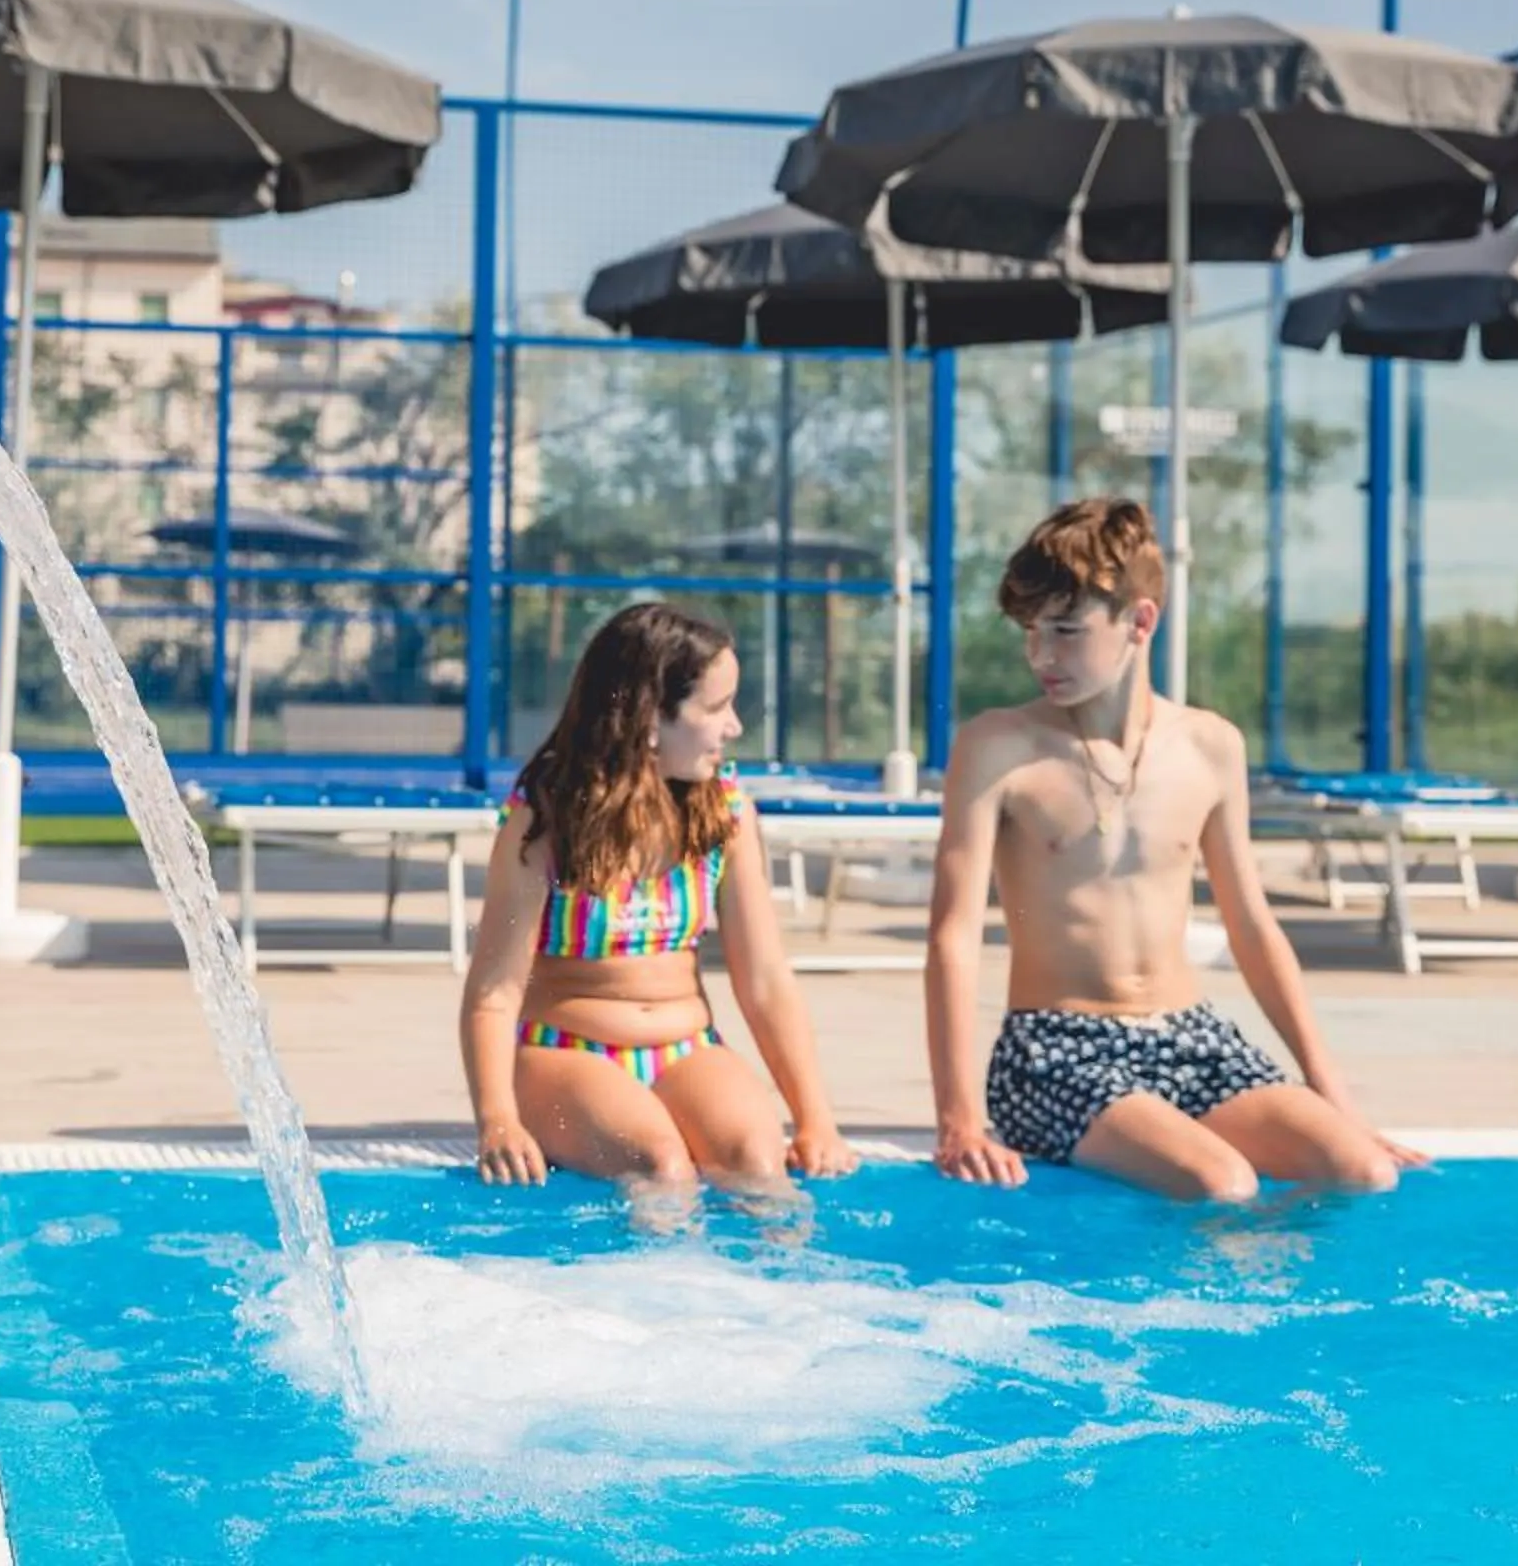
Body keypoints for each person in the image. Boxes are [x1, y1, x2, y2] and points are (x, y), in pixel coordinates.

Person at [925, 498, 1423, 1201]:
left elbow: (1252, 926)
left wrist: (1331, 1092)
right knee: (1222, 1183)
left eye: (1065, 630)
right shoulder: (998, 746)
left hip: (1194, 1034)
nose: (1042, 655)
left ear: (1140, 621)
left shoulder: (1210, 746)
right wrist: (959, 1119)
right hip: (1055, 1049)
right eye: (1031, 632)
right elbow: (953, 936)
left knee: (1362, 1173)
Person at [462, 601, 858, 1202]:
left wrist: (815, 1118)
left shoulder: (723, 813)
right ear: (648, 717)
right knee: (661, 1168)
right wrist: (497, 1119)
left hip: (687, 1049)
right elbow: (494, 992)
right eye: (717, 708)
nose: (734, 727)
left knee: (758, 1165)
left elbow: (765, 980)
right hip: (566, 1053)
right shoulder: (543, 824)